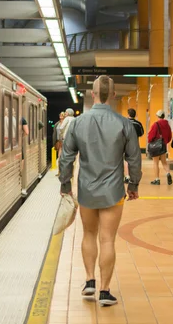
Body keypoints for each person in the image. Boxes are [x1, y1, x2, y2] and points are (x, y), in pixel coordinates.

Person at [58, 75, 142, 307]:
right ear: (114, 95)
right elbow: (134, 158)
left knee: (88, 235)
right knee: (107, 240)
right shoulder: (125, 124)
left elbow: (66, 158)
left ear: (92, 94)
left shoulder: (77, 123)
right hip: (114, 192)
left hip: (87, 190)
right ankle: (105, 291)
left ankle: (89, 281)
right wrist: (133, 185)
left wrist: (65, 185)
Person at [147, 109, 173, 185]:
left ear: (158, 116)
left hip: (156, 146)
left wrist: (150, 141)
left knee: (155, 162)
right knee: (164, 162)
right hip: (163, 145)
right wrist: (165, 142)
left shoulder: (156, 124)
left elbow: (151, 135)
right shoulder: (167, 124)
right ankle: (168, 173)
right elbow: (169, 136)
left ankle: (157, 179)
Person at [124, 108, 145, 183]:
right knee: (134, 160)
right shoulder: (138, 124)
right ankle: (134, 177)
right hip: (135, 143)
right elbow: (142, 133)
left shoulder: (125, 122)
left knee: (126, 160)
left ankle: (127, 176)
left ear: (128, 114)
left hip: (125, 143)